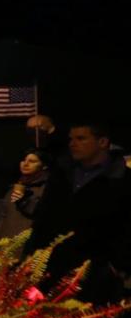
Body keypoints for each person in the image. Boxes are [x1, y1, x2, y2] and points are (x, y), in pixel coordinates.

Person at [30, 125, 131, 303]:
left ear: (102, 142)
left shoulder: (123, 179)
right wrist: (31, 256)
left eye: (81, 138)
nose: (72, 144)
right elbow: (43, 218)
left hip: (95, 275)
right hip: (48, 268)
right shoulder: (62, 174)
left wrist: (116, 266)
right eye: (71, 139)